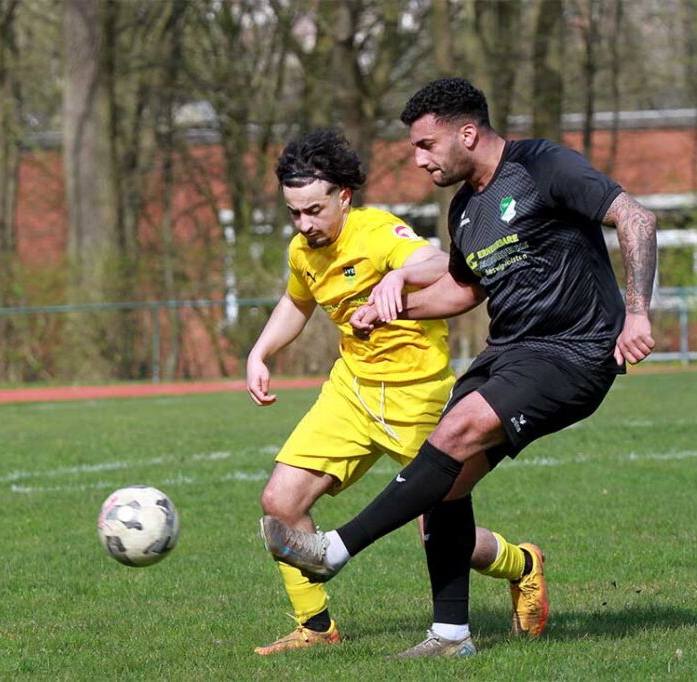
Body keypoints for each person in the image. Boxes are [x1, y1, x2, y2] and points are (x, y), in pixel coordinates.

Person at [261, 78, 658, 658]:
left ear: (466, 133)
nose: (419, 160)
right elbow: (461, 291)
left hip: (573, 349)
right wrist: (390, 310)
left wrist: (638, 313)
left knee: (453, 432)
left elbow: (637, 218)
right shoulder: (467, 211)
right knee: (446, 483)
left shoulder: (541, 165)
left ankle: (334, 550)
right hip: (510, 352)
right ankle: (451, 636)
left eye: (426, 145)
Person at [249, 128, 548, 656]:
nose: (304, 224)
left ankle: (521, 564)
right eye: (294, 213)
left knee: (438, 531)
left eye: (314, 210)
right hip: (352, 393)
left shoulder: (377, 231)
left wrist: (398, 278)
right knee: (279, 503)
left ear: (344, 196)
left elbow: (438, 264)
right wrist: (260, 352)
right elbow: (296, 304)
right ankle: (315, 628)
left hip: (419, 398)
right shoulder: (303, 250)